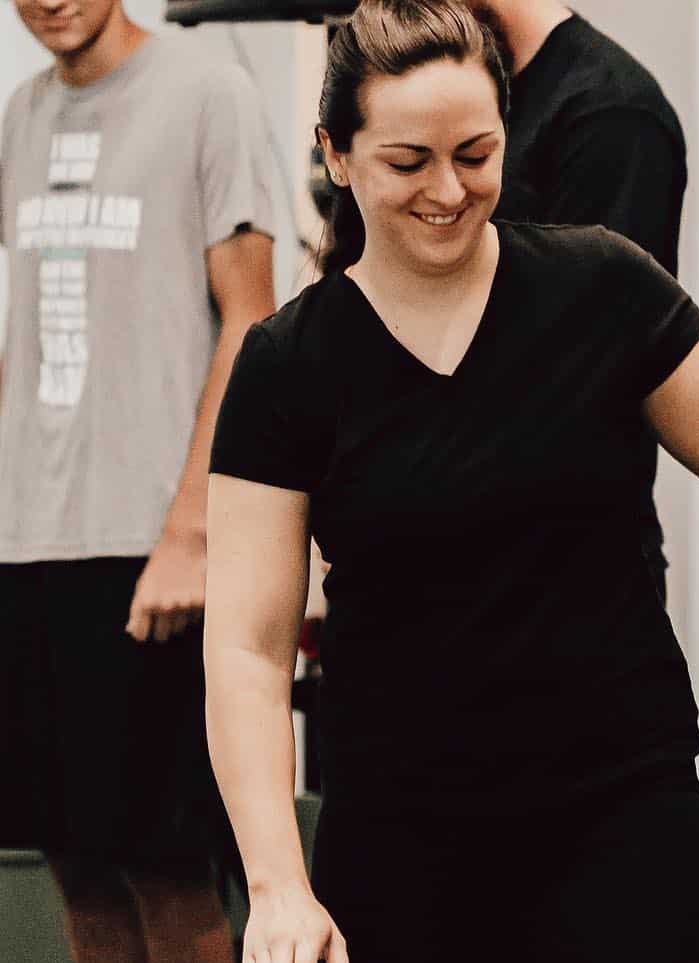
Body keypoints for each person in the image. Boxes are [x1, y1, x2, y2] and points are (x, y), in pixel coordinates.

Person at [202, 2, 699, 961]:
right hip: (401, 844)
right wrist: (277, 884)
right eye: (407, 162)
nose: (449, 190)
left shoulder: (602, 286)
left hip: (621, 826)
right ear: (337, 155)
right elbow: (248, 651)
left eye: (475, 154)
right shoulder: (289, 365)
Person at [0, 0, 279, 961]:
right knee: (76, 865)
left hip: (149, 549)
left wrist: (192, 534)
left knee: (169, 873)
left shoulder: (207, 94)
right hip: (29, 543)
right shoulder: (21, 116)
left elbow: (251, 321)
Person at [467, 0, 688, 601]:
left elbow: (585, 381)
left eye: (473, 158)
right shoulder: (448, 97)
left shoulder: (611, 114)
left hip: (573, 591)